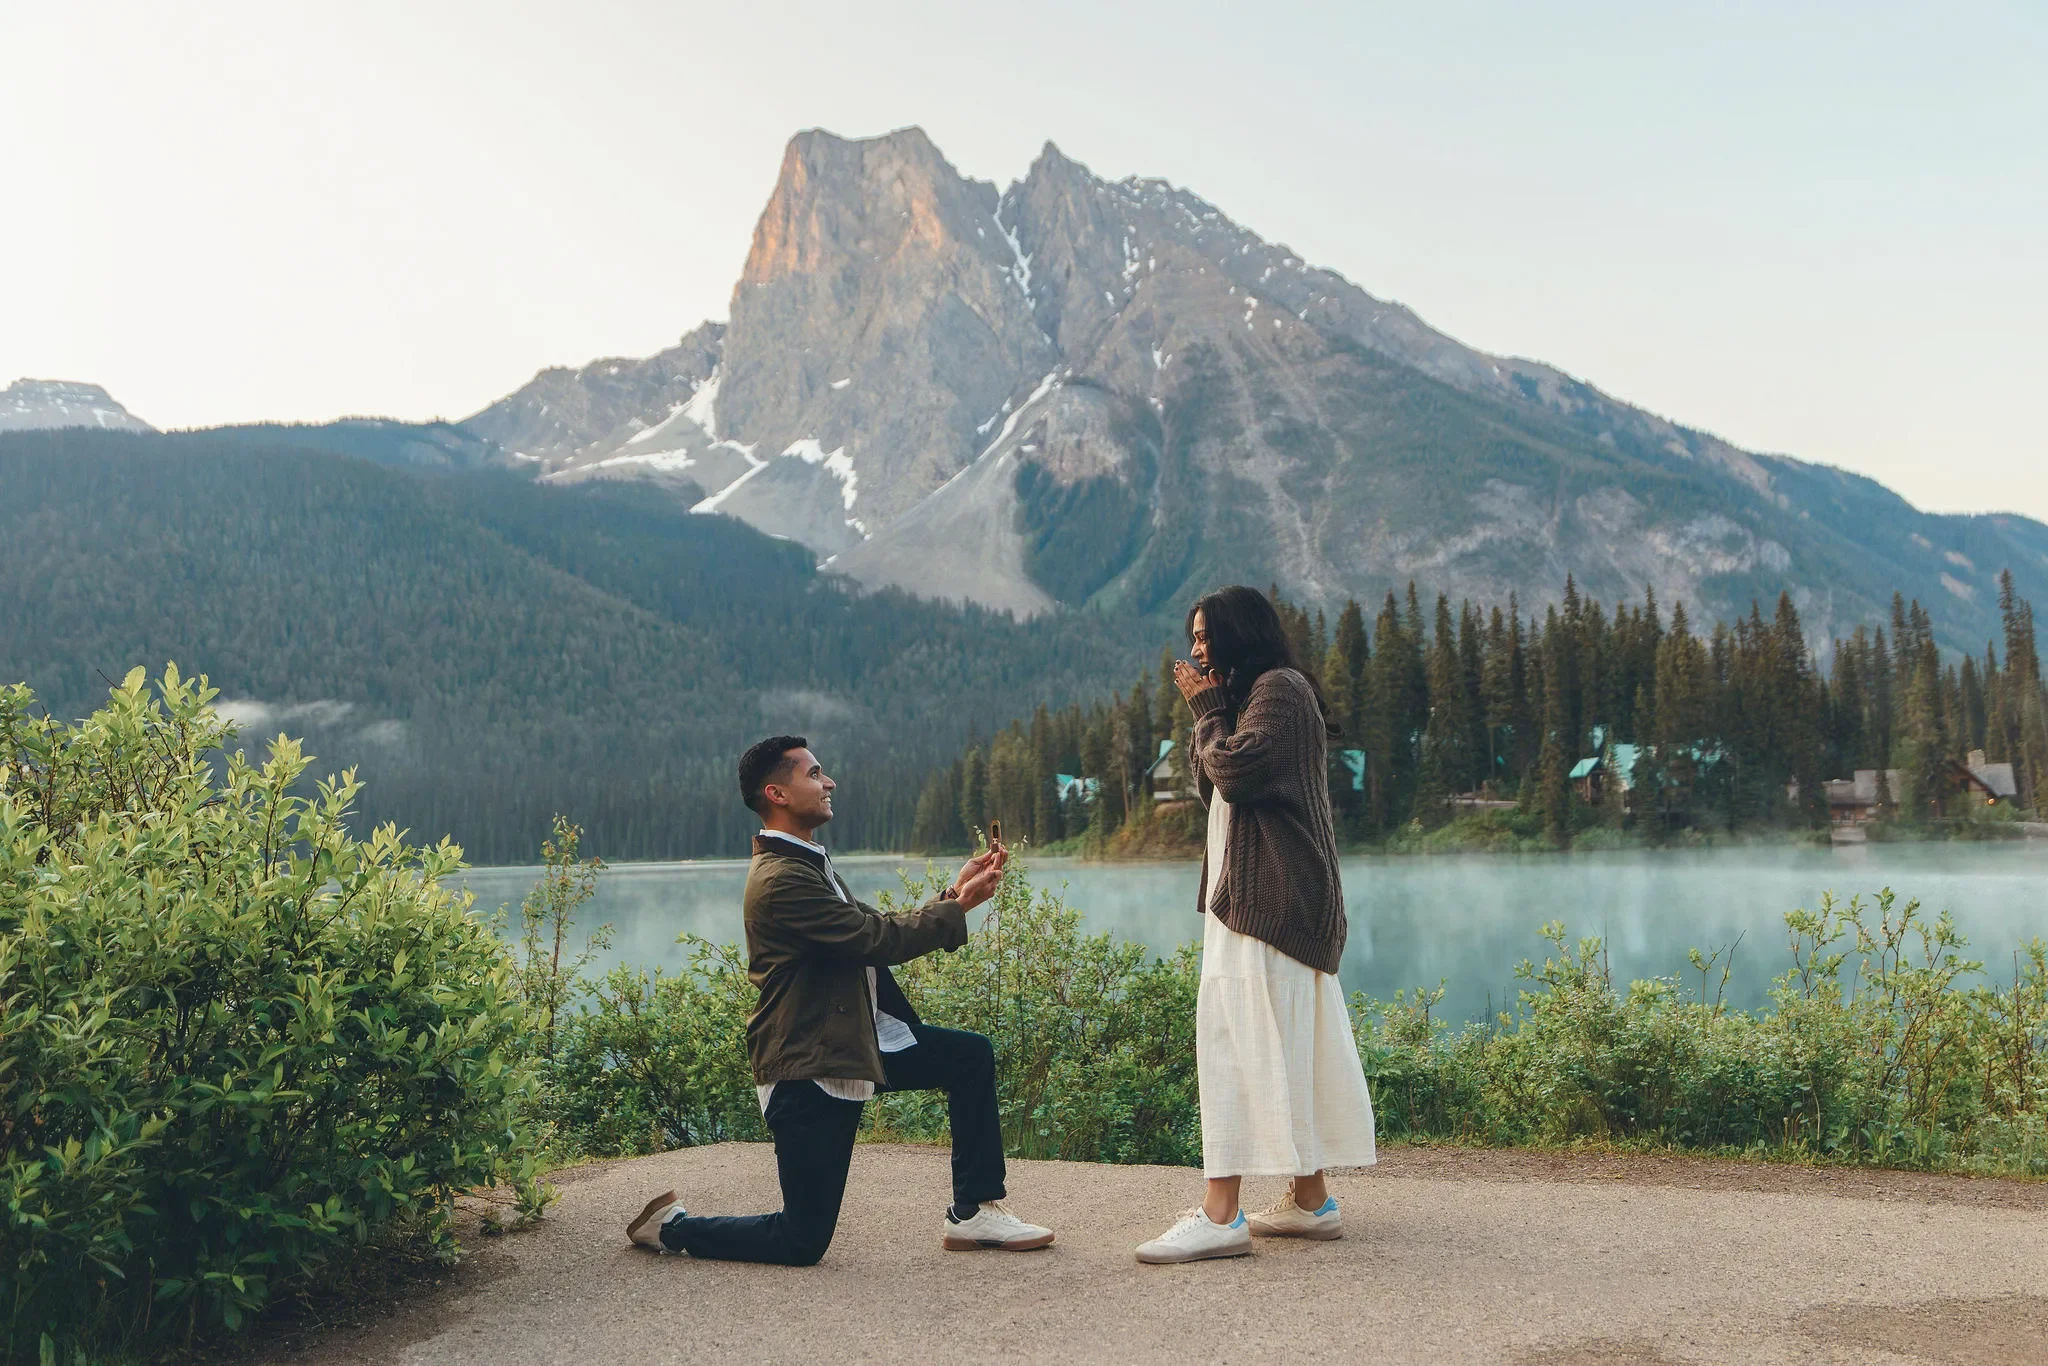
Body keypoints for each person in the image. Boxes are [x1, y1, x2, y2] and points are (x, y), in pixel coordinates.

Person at [627, 735, 1055, 1264]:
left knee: (969, 1057)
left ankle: (974, 1213)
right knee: (801, 1240)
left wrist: (952, 897)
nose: (828, 782)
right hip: (810, 1063)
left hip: (854, 1041)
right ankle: (671, 1230)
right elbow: (870, 940)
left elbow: (869, 926)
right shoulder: (781, 879)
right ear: (776, 793)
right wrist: (959, 907)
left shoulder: (806, 863)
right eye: (814, 774)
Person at [1135, 586, 1377, 1265]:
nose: (1198, 647)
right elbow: (1213, 785)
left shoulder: (1279, 690)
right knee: (1277, 1044)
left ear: (1243, 631)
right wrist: (1212, 713)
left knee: (1236, 1045)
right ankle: (1311, 1201)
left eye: (1208, 634)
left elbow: (1234, 773)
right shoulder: (1261, 695)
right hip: (1259, 899)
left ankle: (1221, 1216)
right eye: (1194, 635)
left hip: (1270, 901)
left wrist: (1207, 709)